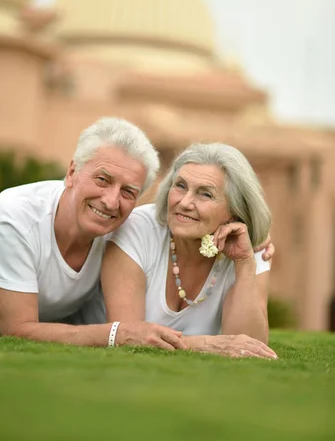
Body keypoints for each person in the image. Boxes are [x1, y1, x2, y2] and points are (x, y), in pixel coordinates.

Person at [0, 118, 187, 350]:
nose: (111, 202)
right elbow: (18, 331)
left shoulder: (125, 229)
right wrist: (117, 334)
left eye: (128, 192)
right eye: (102, 179)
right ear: (71, 173)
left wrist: (224, 233)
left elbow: (178, 229)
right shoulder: (11, 220)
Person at [101, 143, 278, 359]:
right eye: (181, 186)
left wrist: (244, 263)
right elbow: (128, 338)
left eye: (205, 194)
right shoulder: (139, 228)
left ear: (235, 212)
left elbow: (251, 347)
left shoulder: (250, 248)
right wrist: (205, 344)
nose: (184, 203)